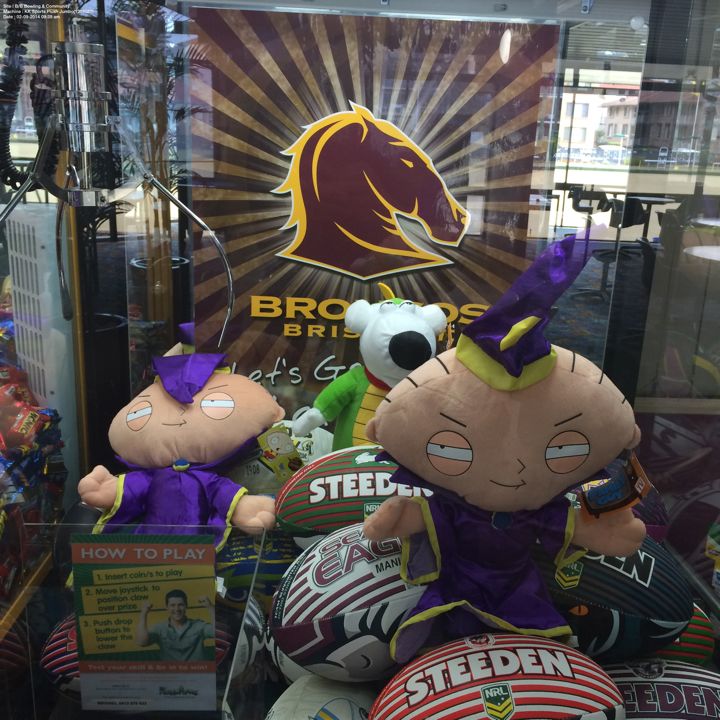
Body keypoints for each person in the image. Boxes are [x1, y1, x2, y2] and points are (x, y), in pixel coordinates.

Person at [135, 589, 214, 661]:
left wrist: (210, 607)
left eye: (180, 605)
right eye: (172, 605)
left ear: (186, 606)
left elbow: (215, 632)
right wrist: (143, 613)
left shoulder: (198, 626)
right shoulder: (160, 628)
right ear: (167, 607)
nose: (177, 609)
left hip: (198, 672)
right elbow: (142, 642)